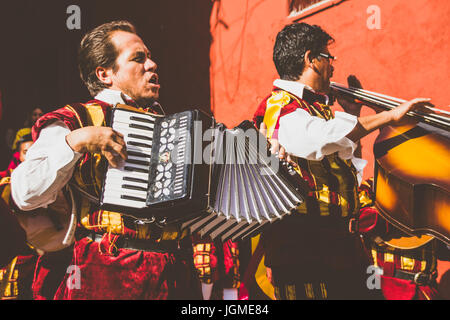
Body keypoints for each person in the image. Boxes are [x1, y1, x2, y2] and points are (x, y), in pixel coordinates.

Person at [10, 20, 202, 300]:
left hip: (176, 275)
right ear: (105, 73)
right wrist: (75, 141)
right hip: (109, 275)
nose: (152, 64)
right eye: (138, 58)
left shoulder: (171, 125)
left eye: (149, 56)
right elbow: (24, 192)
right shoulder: (76, 119)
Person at [252, 22, 433, 299]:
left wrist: (355, 114)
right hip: (304, 250)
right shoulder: (279, 106)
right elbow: (321, 138)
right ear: (310, 59)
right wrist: (391, 115)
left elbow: (344, 166)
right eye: (328, 57)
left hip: (340, 247)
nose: (333, 67)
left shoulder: (316, 109)